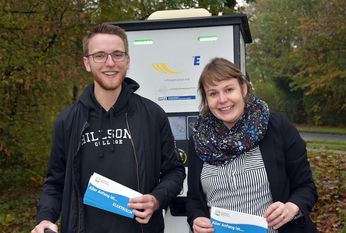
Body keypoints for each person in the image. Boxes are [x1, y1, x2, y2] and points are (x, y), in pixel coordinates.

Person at [31, 23, 185, 233]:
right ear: (87, 63)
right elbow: (55, 182)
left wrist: (157, 199)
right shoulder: (67, 121)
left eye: (117, 54)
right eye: (100, 55)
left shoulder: (152, 114)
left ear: (127, 60)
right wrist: (45, 218)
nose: (110, 63)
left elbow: (174, 172)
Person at [186, 57, 318, 233]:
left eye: (229, 89)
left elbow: (306, 187)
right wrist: (197, 218)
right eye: (213, 93)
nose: (222, 99)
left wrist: (291, 207)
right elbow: (194, 199)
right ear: (206, 99)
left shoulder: (277, 127)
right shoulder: (199, 139)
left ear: (243, 89)